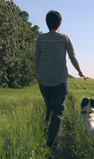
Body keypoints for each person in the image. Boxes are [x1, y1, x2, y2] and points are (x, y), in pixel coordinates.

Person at [35, 10, 86, 150]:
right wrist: (80, 72)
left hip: (44, 82)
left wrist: (38, 75)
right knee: (57, 113)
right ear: (60, 23)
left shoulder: (40, 39)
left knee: (49, 109)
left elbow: (36, 60)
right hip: (60, 82)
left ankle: (45, 139)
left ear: (47, 23)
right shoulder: (64, 38)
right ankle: (52, 148)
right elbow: (73, 57)